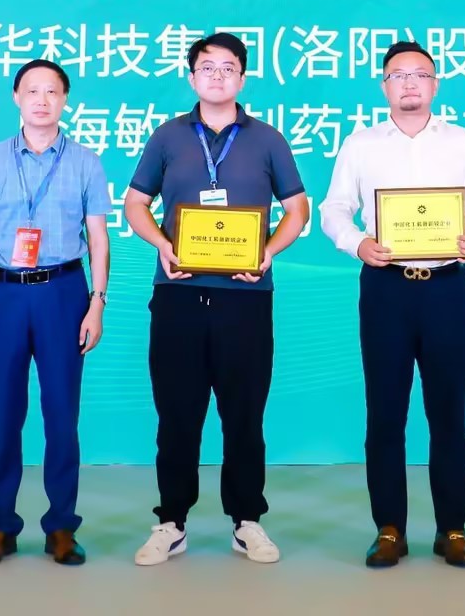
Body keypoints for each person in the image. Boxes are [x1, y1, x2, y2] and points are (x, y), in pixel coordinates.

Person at [124, 32, 310, 566]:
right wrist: (162, 245)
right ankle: (171, 522)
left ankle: (247, 521)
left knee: (244, 416)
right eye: (207, 67)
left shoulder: (268, 139)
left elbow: (298, 209)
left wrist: (268, 252)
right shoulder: (167, 136)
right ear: (192, 77)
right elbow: (135, 203)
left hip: (245, 299)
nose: (217, 76)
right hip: (178, 295)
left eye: (229, 67)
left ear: (242, 78)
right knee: (176, 416)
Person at [319, 40, 465, 569]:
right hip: (386, 288)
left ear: (435, 84)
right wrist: (357, 243)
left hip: (446, 287)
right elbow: (334, 208)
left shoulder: (463, 141)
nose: (409, 83)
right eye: (398, 75)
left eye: (419, 74)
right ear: (384, 86)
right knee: (385, 413)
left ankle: (453, 529)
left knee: (449, 414)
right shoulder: (360, 144)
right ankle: (389, 529)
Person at [0, 58, 111, 569]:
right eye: (32, 91)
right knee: (3, 417)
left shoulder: (86, 162)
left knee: (62, 416)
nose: (42, 100)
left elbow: (98, 239)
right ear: (16, 98)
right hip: (3, 295)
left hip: (64, 292)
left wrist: (96, 303)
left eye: (52, 91)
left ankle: (61, 527)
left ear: (65, 100)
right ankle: (0, 526)